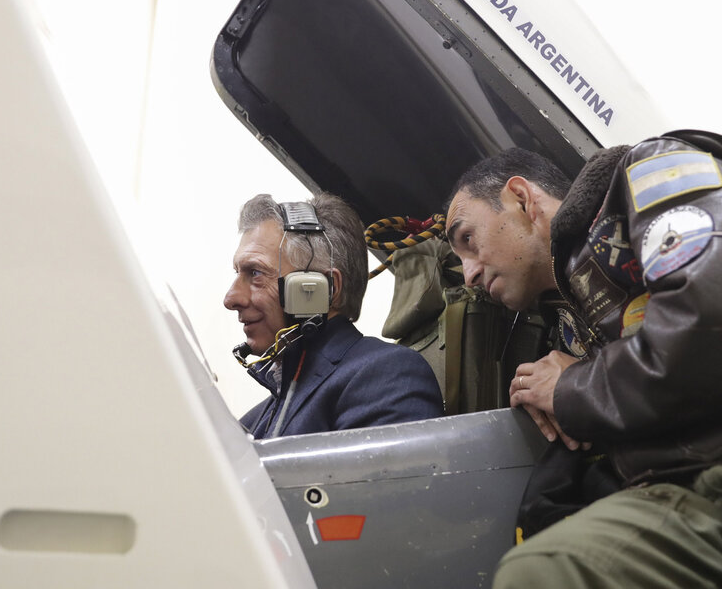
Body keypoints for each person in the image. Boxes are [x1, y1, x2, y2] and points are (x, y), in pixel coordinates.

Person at [446, 135, 722, 588]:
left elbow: (707, 324)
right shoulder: (562, 320)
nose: (470, 274)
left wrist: (571, 388)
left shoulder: (652, 172)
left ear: (521, 198)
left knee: (541, 573)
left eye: (468, 239)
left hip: (702, 481)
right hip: (680, 488)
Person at [224, 192, 443, 439]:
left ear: (326, 288)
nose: (231, 299)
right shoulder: (259, 419)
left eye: (255, 273)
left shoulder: (387, 375)